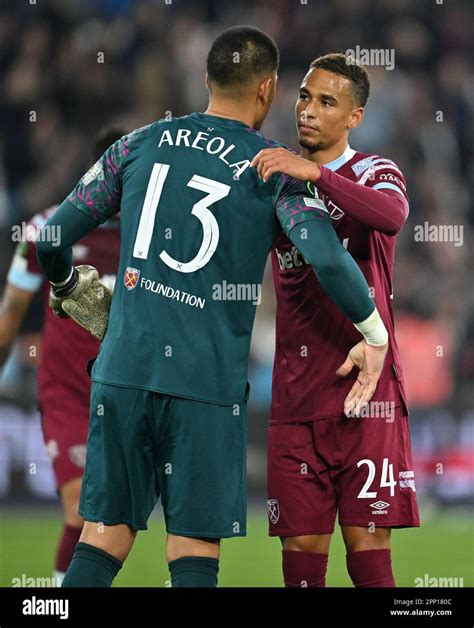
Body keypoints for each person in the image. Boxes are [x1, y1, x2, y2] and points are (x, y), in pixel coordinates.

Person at [36, 28, 388, 588]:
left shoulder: (136, 144)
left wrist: (64, 284)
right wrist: (375, 335)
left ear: (206, 79)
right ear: (269, 89)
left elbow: (51, 239)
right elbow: (327, 257)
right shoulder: (272, 167)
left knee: (104, 532)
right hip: (206, 384)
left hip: (124, 370)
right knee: (193, 544)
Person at [252, 53, 420, 588]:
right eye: (304, 96)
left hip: (368, 400)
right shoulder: (275, 179)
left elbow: (391, 216)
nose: (308, 110)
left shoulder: (375, 171)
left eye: (327, 102)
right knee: (301, 568)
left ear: (355, 117)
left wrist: (319, 175)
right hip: (298, 400)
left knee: (370, 562)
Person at [0, 128, 123, 585]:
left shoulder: (154, 234)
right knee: (80, 508)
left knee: (115, 522)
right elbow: (10, 314)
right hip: (68, 393)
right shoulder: (49, 227)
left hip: (126, 392)